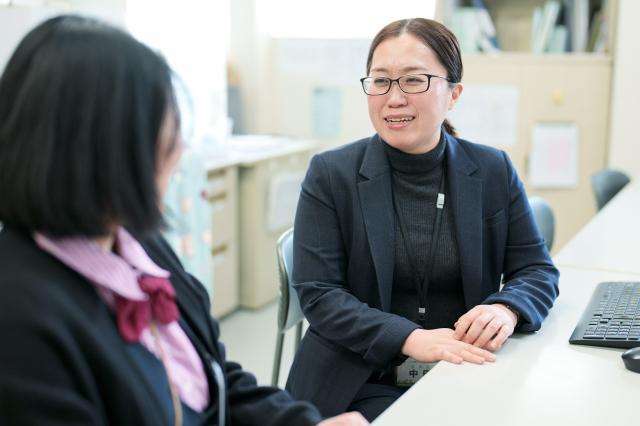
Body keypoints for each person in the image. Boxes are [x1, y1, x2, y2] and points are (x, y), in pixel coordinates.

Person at [0, 15, 368, 426]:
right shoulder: (21, 324)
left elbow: (215, 381)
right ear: (95, 149)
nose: (177, 153)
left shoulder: (141, 246)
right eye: (162, 134)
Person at [286, 18, 560, 421]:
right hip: (360, 379)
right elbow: (320, 295)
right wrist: (411, 338)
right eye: (380, 81)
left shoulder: (492, 169)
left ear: (454, 94)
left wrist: (507, 308)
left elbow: (536, 269)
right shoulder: (331, 174)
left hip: (464, 371)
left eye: (414, 81)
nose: (393, 98)